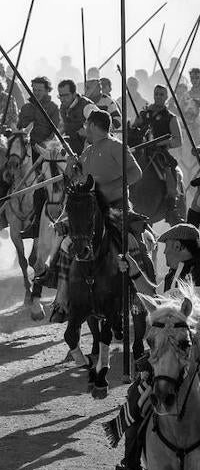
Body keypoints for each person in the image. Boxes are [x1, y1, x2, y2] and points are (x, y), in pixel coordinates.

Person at [109, 222, 200, 470]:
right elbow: (155, 297)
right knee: (136, 395)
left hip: (193, 351)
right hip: (167, 352)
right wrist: (133, 270)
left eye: (166, 248)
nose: (163, 253)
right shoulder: (174, 275)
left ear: (180, 248)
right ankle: (132, 465)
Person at [48, 109, 144, 321]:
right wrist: (70, 170)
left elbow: (136, 173)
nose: (83, 129)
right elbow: (75, 186)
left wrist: (108, 188)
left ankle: (139, 295)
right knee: (65, 245)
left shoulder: (116, 146)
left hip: (116, 208)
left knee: (131, 242)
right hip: (90, 212)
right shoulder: (87, 152)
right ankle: (62, 300)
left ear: (92, 125)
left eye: (85, 125)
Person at [130, 84, 184, 207]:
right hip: (141, 149)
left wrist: (162, 142)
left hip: (159, 152)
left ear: (166, 97)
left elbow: (178, 141)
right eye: (156, 94)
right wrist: (134, 125)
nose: (158, 97)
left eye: (161, 94)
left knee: (169, 167)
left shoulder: (170, 117)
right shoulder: (144, 113)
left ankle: (171, 201)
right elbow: (134, 130)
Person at [18, 76, 62, 150]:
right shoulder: (25, 107)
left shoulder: (53, 108)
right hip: (24, 147)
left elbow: (55, 132)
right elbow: (18, 127)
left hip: (44, 151)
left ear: (47, 90)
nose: (36, 93)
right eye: (34, 90)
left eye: (39, 90)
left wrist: (43, 146)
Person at [57, 78, 94, 153]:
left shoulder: (87, 106)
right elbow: (62, 127)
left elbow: (103, 127)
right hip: (71, 152)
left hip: (89, 152)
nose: (63, 99)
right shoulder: (62, 107)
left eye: (66, 95)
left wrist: (87, 132)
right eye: (61, 96)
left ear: (74, 94)